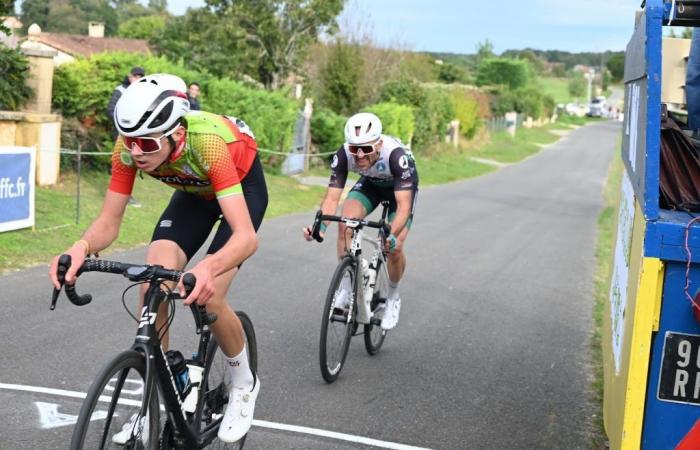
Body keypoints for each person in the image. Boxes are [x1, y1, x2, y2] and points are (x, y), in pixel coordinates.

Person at [50, 74, 267, 444]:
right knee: (153, 280)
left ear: (177, 135)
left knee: (210, 293)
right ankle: (149, 404)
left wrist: (208, 267)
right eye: (130, 142)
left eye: (147, 143)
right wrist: (81, 247)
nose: (136, 152)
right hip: (192, 193)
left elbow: (246, 237)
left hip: (239, 188)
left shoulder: (209, 145)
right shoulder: (131, 146)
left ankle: (244, 383)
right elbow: (109, 221)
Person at [302, 112, 418, 330]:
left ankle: (393, 296)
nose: (360, 155)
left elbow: (404, 207)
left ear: (379, 143)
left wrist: (390, 234)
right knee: (345, 224)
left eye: (366, 148)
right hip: (371, 185)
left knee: (395, 247)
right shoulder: (344, 155)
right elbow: (332, 198)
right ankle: (346, 287)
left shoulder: (395, 156)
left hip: (399, 192)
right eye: (355, 148)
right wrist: (320, 226)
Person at [106, 66, 145, 207]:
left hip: (135, 134)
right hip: (121, 133)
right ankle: (120, 196)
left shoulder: (140, 93)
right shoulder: (120, 90)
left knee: (131, 163)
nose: (138, 79)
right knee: (122, 163)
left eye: (140, 77)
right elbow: (111, 109)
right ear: (130, 77)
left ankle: (126, 195)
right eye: (136, 76)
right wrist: (123, 125)